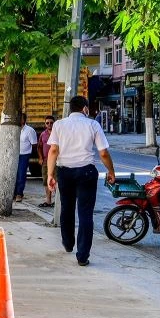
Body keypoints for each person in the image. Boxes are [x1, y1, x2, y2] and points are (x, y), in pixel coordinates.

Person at [47, 95, 116, 267]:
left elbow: (54, 150)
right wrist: (111, 171)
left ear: (70, 108)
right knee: (85, 213)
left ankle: (68, 242)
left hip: (65, 172)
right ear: (85, 108)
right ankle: (83, 255)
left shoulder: (59, 125)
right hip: (86, 172)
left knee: (67, 208)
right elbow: (103, 153)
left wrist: (50, 174)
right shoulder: (93, 124)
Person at [14, 113, 38, 202]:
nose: (20, 120)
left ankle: (19, 194)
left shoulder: (29, 130)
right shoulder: (15, 129)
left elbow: (34, 144)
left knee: (21, 174)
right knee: (14, 174)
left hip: (24, 155)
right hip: (14, 155)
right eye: (18, 118)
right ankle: (14, 192)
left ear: (25, 120)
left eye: (21, 118)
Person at [36, 115, 55, 208]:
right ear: (45, 124)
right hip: (45, 161)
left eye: (51, 123)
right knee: (45, 180)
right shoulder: (43, 134)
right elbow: (39, 146)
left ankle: (58, 201)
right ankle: (48, 200)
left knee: (57, 180)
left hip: (56, 162)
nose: (49, 124)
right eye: (47, 123)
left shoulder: (57, 134)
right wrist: (40, 157)